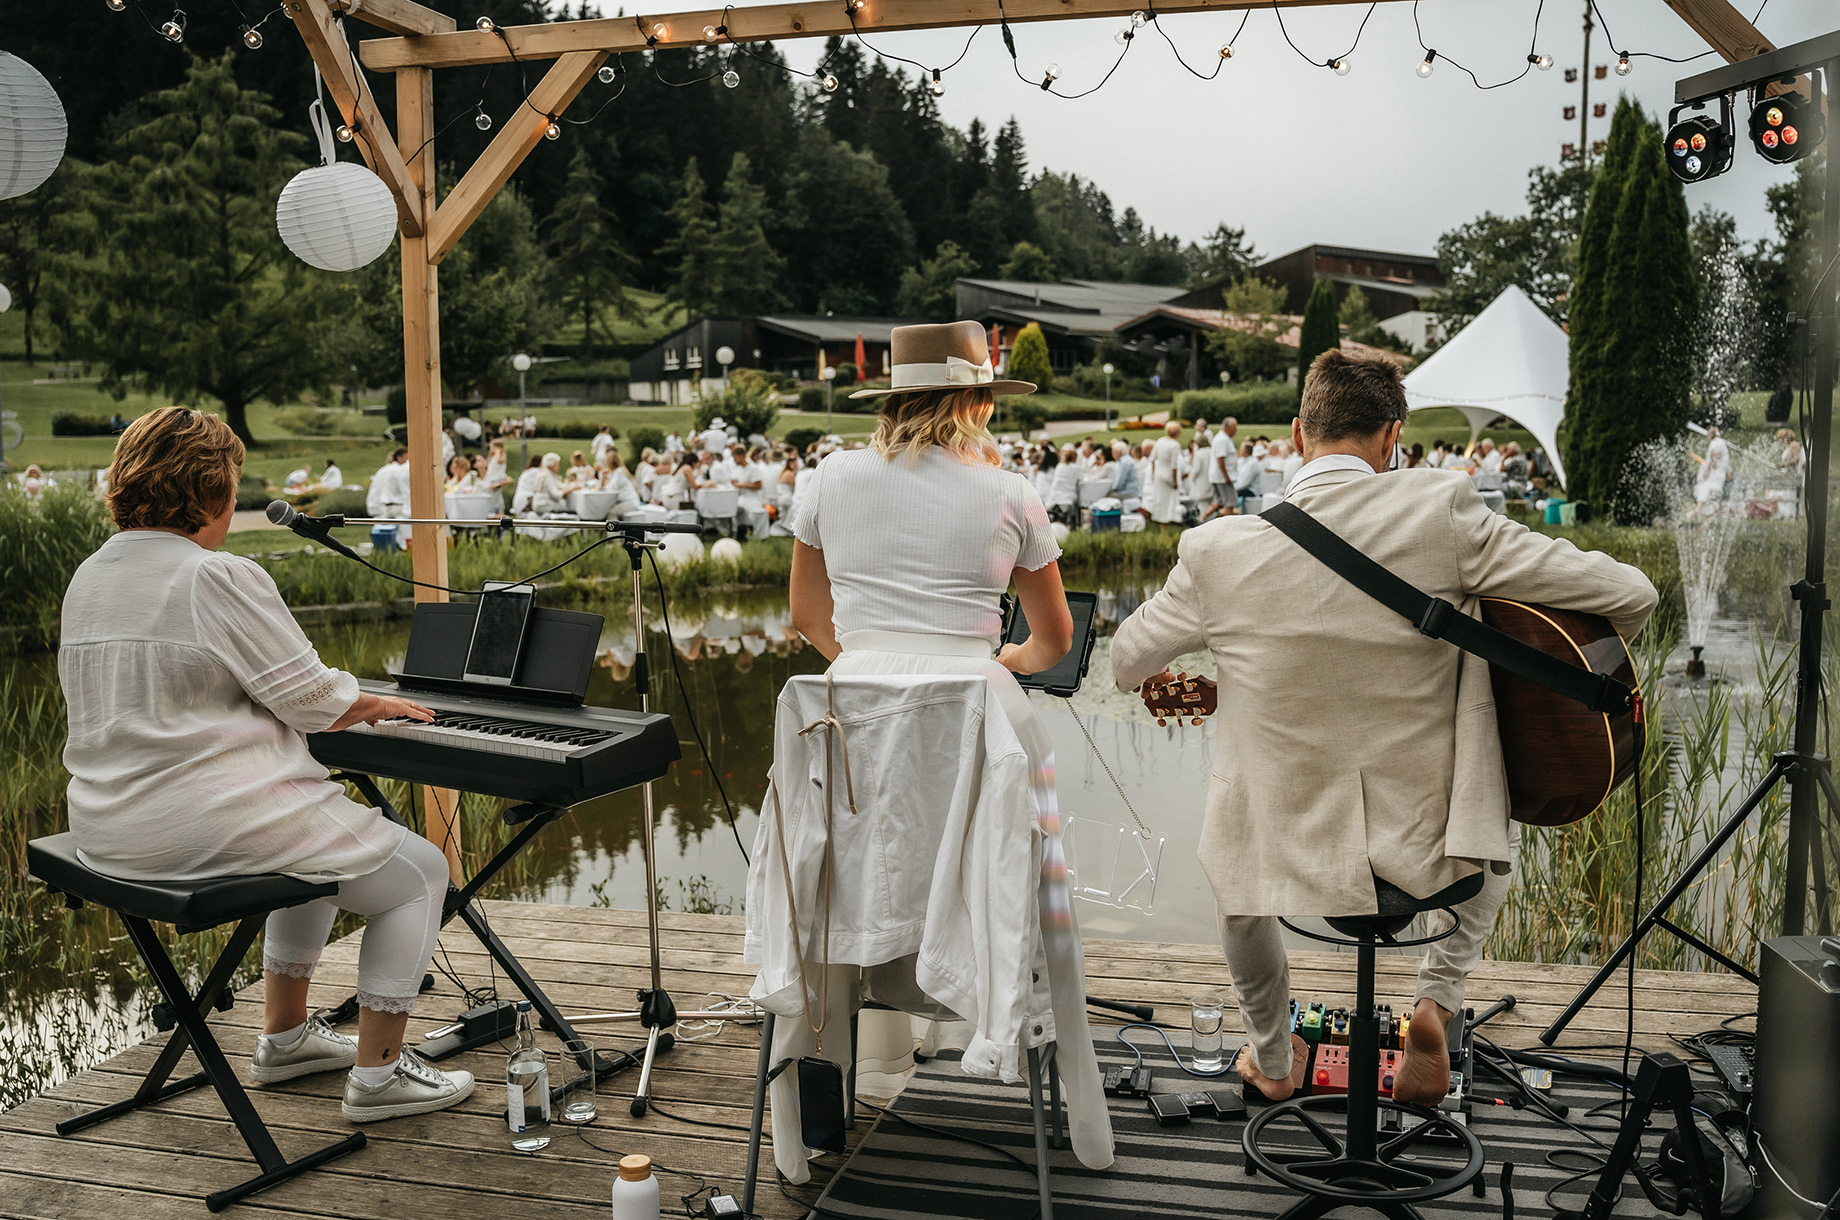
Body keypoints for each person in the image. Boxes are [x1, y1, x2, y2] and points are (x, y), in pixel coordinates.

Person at [1109, 351, 1657, 1106]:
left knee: (1234, 874)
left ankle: (1273, 1058)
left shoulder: (1216, 550)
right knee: (1490, 806)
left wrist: (1234, 679)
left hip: (1281, 845)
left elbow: (1125, 660)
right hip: (1426, 840)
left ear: (1298, 434)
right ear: (1392, 437)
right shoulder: (1443, 512)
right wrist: (1503, 661)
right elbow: (1631, 593)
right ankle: (1436, 1002)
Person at [59, 408, 473, 1122]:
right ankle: (380, 1078)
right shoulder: (212, 574)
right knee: (419, 876)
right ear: (213, 488)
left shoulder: (91, 575)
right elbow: (310, 700)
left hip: (106, 822)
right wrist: (375, 703)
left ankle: (284, 1039)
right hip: (191, 823)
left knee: (314, 852)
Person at [787, 319, 1112, 1171]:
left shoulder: (827, 480)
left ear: (892, 398)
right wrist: (975, 666)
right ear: (975, 400)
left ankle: (819, 1104)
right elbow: (1051, 643)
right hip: (976, 715)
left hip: (846, 721)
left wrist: (879, 681)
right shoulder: (1008, 494)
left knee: (866, 858)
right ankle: (1033, 1057)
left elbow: (808, 621)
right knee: (1012, 829)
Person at [366, 448, 411, 544]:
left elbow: (374, 490)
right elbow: (406, 491)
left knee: (388, 539)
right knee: (405, 538)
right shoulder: (401, 471)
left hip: (385, 507)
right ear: (400, 457)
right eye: (407, 458)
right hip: (399, 507)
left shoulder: (382, 470)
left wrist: (373, 508)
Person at [1148, 421, 1186, 525]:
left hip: (1158, 472)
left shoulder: (1160, 441)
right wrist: (1174, 481)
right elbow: (1174, 466)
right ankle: (1169, 518)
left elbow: (1152, 459)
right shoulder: (1174, 445)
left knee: (1159, 497)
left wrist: (1153, 473)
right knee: (1171, 498)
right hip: (1168, 473)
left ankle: (1158, 518)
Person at [1206, 417, 1237, 519]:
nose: (1236, 430)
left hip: (1220, 476)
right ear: (1228, 427)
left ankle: (1202, 518)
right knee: (1230, 502)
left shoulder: (1224, 438)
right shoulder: (1222, 440)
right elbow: (1220, 459)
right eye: (1234, 427)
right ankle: (1226, 524)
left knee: (1218, 501)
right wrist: (1226, 476)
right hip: (1222, 477)